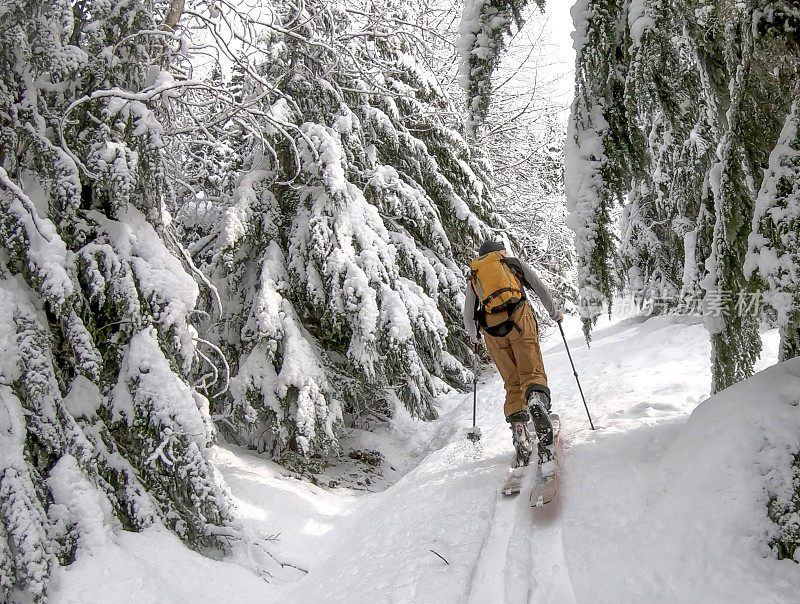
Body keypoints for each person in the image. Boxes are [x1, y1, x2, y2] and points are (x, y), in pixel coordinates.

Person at [463, 240, 563, 467]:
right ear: (499, 252)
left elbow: (469, 313)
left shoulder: (475, 274)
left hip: (492, 332)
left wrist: (475, 337)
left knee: (512, 381)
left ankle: (519, 428)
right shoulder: (510, 263)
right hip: (519, 321)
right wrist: (554, 313)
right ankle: (536, 400)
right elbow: (539, 287)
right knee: (532, 371)